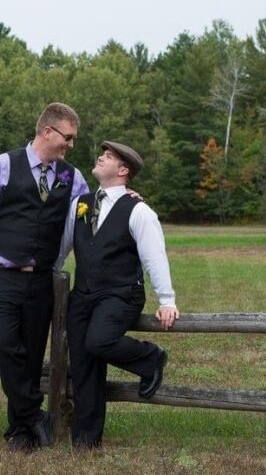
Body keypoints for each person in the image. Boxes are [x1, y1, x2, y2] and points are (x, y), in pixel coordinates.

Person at [0, 102, 89, 453]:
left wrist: (126, 200)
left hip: (41, 282)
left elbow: (86, 217)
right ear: (47, 132)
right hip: (0, 275)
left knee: (31, 356)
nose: (71, 145)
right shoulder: (3, 166)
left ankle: (21, 432)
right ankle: (35, 414)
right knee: (3, 344)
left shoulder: (72, 177)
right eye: (68, 137)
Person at [54, 141, 180, 450]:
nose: (100, 157)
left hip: (121, 294)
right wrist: (52, 272)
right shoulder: (80, 203)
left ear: (122, 171)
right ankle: (86, 439)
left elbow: (154, 257)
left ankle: (151, 358)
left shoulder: (139, 210)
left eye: (108, 156)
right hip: (83, 295)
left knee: (99, 341)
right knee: (84, 363)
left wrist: (167, 299)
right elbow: (63, 246)